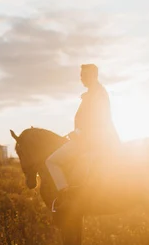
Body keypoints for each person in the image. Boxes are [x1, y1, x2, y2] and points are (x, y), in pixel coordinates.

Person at [46, 64, 120, 212]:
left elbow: (97, 119)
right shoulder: (94, 93)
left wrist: (78, 133)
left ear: (94, 76)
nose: (81, 78)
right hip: (91, 139)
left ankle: (66, 198)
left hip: (90, 141)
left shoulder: (97, 94)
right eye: (81, 76)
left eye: (84, 75)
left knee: (51, 161)